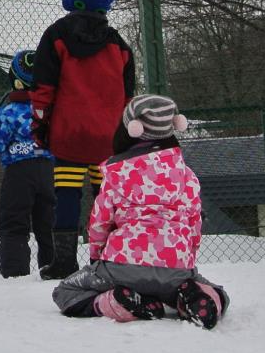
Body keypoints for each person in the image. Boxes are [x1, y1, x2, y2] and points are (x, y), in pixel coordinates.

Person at [53, 95, 229, 329]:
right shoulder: (186, 174)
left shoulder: (115, 173)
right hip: (175, 269)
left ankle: (117, 301)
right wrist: (186, 259)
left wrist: (97, 258)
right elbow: (194, 221)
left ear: (130, 128)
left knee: (65, 291)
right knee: (219, 292)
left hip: (120, 268)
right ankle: (198, 301)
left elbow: (99, 223)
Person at [30, 0, 135, 279]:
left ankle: (64, 260)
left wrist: (40, 121)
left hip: (69, 134)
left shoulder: (56, 35)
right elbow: (128, 93)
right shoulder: (118, 44)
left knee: (66, 194)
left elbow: (43, 85)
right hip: (107, 137)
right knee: (106, 195)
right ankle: (109, 254)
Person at [0, 49, 55, 277]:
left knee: (13, 223)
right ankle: (53, 268)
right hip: (49, 171)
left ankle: (15, 274)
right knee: (48, 225)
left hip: (19, 172)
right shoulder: (50, 110)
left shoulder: (10, 112)